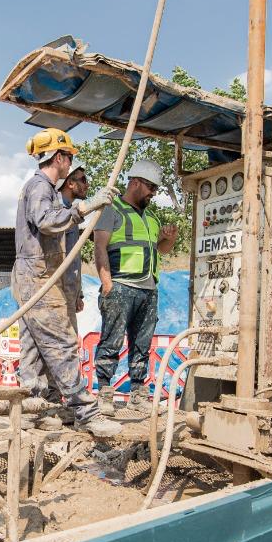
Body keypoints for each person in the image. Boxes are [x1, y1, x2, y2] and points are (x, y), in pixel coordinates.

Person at [13, 129, 118, 438]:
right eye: (69, 157)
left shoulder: (40, 188)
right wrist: (83, 208)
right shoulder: (40, 186)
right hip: (39, 277)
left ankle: (33, 408)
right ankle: (85, 411)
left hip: (35, 276)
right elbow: (47, 222)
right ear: (58, 157)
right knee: (61, 344)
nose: (71, 164)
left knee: (33, 347)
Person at [92, 160, 177, 413]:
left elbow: (159, 250)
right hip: (120, 285)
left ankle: (138, 393)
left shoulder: (151, 218)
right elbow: (99, 247)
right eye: (151, 187)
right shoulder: (110, 210)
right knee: (111, 340)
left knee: (142, 343)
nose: (153, 193)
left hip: (148, 290)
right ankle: (105, 393)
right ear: (136, 182)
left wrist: (168, 240)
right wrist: (107, 283)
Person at [19, 162, 89, 403]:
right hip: (44, 284)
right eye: (82, 179)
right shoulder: (55, 207)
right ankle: (45, 402)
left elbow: (73, 258)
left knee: (48, 344)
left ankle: (46, 402)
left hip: (62, 287)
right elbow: (46, 226)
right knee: (53, 344)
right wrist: (82, 210)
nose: (86, 184)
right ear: (70, 182)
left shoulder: (66, 214)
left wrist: (77, 293)